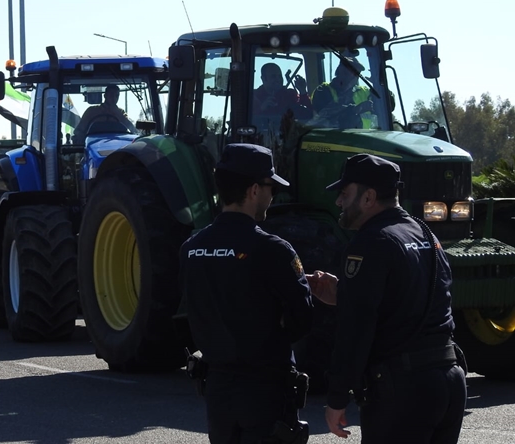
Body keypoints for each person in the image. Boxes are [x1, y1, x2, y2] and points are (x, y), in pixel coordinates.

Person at [307, 154, 466, 443]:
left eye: (344, 194)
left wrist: (337, 396)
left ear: (368, 197)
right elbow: (412, 300)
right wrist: (345, 293)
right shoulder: (425, 233)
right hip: (448, 378)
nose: (339, 202)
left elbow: (355, 327)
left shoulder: (372, 241)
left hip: (405, 390)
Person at [179, 143, 314, 443]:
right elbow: (302, 319)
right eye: (270, 187)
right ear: (254, 190)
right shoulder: (273, 249)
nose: (272, 195)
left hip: (217, 388)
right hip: (264, 389)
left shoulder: (191, 249)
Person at [311, 57, 375, 128]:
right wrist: (355, 110)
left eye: (358, 73)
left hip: (364, 137)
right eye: (353, 71)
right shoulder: (323, 90)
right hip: (336, 138)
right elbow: (324, 114)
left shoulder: (364, 91)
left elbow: (386, 104)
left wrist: (378, 85)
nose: (356, 76)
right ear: (340, 71)